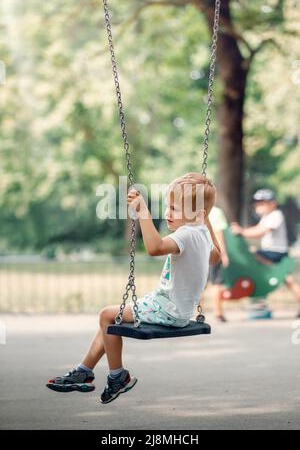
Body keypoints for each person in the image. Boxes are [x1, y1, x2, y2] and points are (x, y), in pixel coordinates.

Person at [46, 173, 221, 404]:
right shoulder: (200, 232)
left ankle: (117, 376)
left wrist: (143, 213)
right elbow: (216, 257)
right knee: (110, 324)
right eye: (168, 207)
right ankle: (83, 371)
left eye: (175, 209)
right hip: (176, 308)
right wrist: (205, 220)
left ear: (197, 214)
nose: (168, 213)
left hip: (168, 309)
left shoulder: (186, 234)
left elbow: (155, 248)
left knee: (107, 315)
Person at [231, 189, 300, 317]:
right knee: (288, 280)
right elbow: (257, 229)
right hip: (272, 252)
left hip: (275, 253)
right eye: (257, 204)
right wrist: (243, 231)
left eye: (262, 203)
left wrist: (241, 231)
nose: (258, 206)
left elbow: (262, 231)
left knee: (252, 261)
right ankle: (260, 301)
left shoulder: (275, 215)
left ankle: (259, 300)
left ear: (272, 203)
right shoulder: (267, 217)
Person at [208, 205, 230, 322]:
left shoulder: (191, 211)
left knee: (200, 285)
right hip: (213, 252)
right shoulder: (216, 212)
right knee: (216, 284)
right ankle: (218, 313)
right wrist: (223, 253)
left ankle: (195, 313)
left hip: (198, 251)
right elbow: (219, 233)